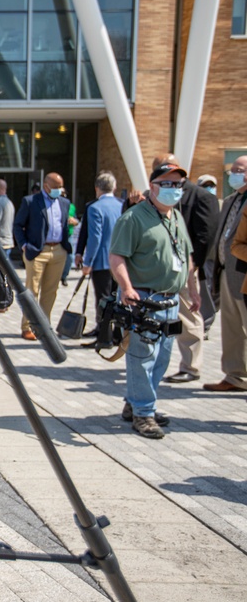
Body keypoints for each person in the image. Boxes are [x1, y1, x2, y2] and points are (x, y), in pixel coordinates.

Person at [108, 161, 198, 439]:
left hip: (170, 301)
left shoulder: (176, 217)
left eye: (178, 185)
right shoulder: (134, 218)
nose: (173, 190)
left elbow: (187, 258)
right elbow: (117, 256)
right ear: (153, 186)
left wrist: (193, 291)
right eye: (167, 184)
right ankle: (144, 412)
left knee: (161, 359)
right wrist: (126, 288)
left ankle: (136, 403)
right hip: (144, 300)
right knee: (142, 357)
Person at [153, 154, 219, 384]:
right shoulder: (154, 196)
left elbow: (206, 235)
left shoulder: (200, 196)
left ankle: (191, 367)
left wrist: (193, 266)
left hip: (184, 268)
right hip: (158, 270)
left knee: (188, 317)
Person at [203, 155, 247, 394]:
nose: (233, 174)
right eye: (233, 170)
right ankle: (235, 375)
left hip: (244, 275)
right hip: (226, 273)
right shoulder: (230, 200)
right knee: (231, 327)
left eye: (239, 170)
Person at [13, 172, 72, 340]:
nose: (59, 190)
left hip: (58, 250)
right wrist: (24, 245)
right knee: (32, 291)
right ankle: (28, 326)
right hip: (37, 251)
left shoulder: (64, 203)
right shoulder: (31, 201)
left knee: (50, 291)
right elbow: (18, 225)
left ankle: (44, 326)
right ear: (46, 185)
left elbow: (64, 225)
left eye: (60, 187)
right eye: (55, 187)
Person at [79, 172, 123, 349]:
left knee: (103, 300)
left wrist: (87, 262)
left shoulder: (95, 208)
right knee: (118, 299)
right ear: (114, 187)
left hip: (102, 261)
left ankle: (104, 337)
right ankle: (116, 335)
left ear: (97, 188)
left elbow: (95, 238)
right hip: (121, 262)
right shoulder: (122, 205)